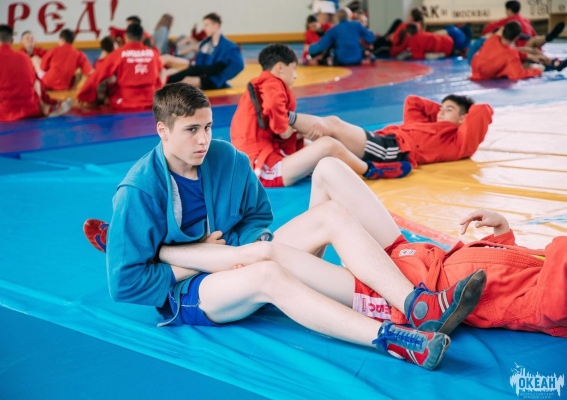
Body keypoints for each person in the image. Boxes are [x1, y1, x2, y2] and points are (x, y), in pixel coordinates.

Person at [82, 82, 488, 370]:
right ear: (162, 130)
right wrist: (202, 259)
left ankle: (418, 305)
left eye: (206, 127)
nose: (203, 140)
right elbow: (125, 285)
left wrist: (238, 250)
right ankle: (394, 340)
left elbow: (258, 215)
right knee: (268, 273)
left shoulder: (227, 158)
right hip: (191, 292)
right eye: (191, 130)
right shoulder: (138, 191)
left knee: (329, 214)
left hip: (241, 255)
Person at [303, 158, 566, 337]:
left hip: (401, 293)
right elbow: (508, 275)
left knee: (285, 254)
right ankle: (305, 276)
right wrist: (503, 232)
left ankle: (298, 282)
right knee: (328, 169)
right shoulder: (548, 269)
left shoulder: (549, 304)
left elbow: (537, 299)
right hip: (414, 258)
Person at [230, 44, 412, 188]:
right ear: (280, 68)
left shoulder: (259, 85)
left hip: (259, 159)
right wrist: (284, 129)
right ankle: (370, 170)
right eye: (293, 69)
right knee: (328, 144)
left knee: (312, 143)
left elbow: (267, 124)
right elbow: (274, 109)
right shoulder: (271, 83)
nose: (295, 76)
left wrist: (295, 135)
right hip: (262, 168)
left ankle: (359, 162)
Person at [288, 92, 493, 168]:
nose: (440, 112)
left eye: (448, 110)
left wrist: (459, 119)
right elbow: (413, 102)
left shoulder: (458, 141)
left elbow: (482, 110)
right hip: (384, 141)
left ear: (464, 118)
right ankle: (284, 135)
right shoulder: (425, 123)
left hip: (392, 150)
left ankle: (284, 116)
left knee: (333, 125)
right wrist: (443, 111)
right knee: (316, 142)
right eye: (440, 108)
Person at [0, 25, 71, 122]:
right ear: (12, 41)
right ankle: (45, 107)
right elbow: (37, 83)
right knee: (35, 82)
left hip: (4, 112)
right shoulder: (25, 57)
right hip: (32, 109)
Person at [77, 23, 163, 109]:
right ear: (142, 38)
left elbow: (97, 75)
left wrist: (83, 95)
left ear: (125, 36)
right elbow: (160, 74)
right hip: (152, 101)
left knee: (106, 96)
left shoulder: (118, 54)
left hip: (126, 101)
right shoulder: (153, 54)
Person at [165, 13, 244, 90]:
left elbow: (239, 65)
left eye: (207, 25)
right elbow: (200, 64)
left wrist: (222, 78)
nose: (204, 28)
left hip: (213, 79)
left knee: (185, 81)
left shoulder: (229, 46)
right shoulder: (206, 43)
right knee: (174, 73)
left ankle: (166, 85)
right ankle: (165, 83)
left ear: (216, 25)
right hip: (201, 73)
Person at [470, 21, 561, 81]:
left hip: (476, 67)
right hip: (483, 73)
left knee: (529, 49)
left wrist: (530, 57)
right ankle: (550, 62)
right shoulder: (511, 55)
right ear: (516, 37)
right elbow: (517, 75)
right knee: (530, 48)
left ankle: (550, 61)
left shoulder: (493, 39)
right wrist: (538, 70)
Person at [482, 1, 565, 49]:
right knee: (534, 41)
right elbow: (534, 35)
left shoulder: (509, 20)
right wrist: (539, 49)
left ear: (509, 10)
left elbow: (488, 28)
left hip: (519, 48)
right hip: (531, 45)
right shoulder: (525, 21)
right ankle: (546, 38)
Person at [308, 8, 374, 66]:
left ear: (337, 18)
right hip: (357, 60)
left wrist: (309, 49)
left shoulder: (334, 30)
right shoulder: (357, 25)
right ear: (350, 16)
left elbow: (321, 46)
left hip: (341, 61)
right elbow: (370, 38)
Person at [399, 23, 472, 60]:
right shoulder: (422, 34)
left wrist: (409, 55)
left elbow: (419, 56)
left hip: (447, 49)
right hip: (448, 41)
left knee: (428, 55)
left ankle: (440, 54)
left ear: (408, 33)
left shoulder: (413, 42)